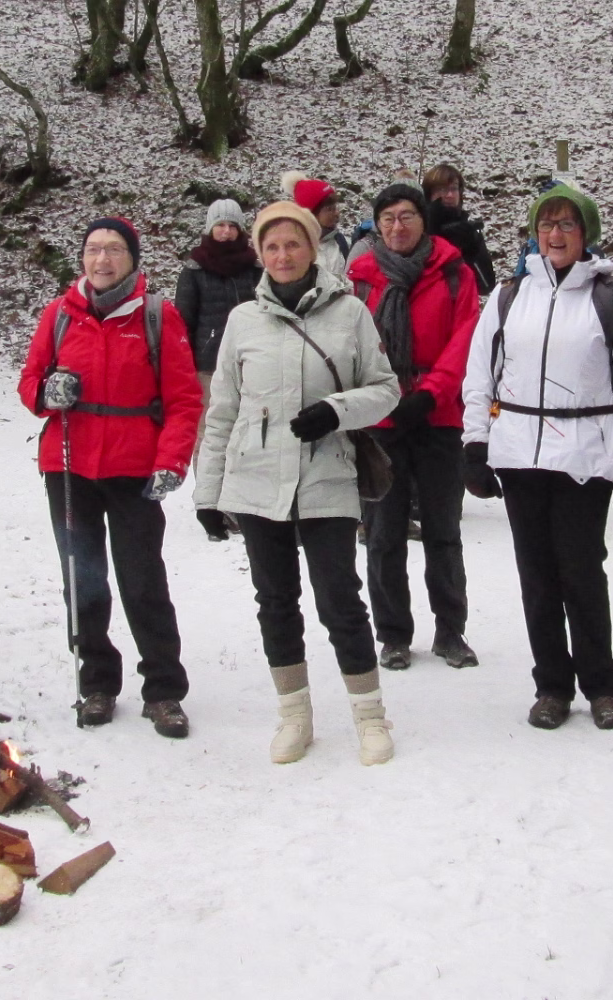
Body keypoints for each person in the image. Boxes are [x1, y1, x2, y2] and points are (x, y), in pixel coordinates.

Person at [193, 201, 402, 765]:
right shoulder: (243, 320)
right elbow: (222, 411)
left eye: (293, 244)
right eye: (272, 246)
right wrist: (208, 493)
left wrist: (337, 410)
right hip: (256, 480)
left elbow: (386, 389)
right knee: (275, 601)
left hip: (327, 473)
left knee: (340, 600)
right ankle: (294, 717)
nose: (283, 255)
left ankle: (370, 717)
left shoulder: (349, 312)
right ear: (259, 253)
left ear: (313, 249)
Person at [461, 184, 613, 731]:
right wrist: (475, 446)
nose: (555, 234)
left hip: (584, 456)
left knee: (581, 573)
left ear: (586, 233)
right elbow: (479, 375)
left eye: (567, 224)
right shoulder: (509, 296)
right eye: (546, 224)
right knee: (537, 577)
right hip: (519, 457)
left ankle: (602, 686)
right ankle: (551, 686)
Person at [20, 217, 204, 737]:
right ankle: (97, 681)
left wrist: (172, 461)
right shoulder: (59, 315)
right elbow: (29, 380)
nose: (102, 259)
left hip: (135, 469)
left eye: (114, 250)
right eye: (93, 249)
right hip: (69, 465)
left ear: (133, 259)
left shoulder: (156, 316)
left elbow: (184, 399)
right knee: (82, 579)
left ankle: (163, 688)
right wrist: (46, 394)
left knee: (142, 580)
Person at [346, 183, 483, 671]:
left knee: (443, 530)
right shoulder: (361, 277)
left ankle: (450, 630)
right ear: (377, 226)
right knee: (383, 531)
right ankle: (393, 634)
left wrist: (430, 393)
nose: (397, 226)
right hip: (381, 418)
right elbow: (350, 345)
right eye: (387, 218)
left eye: (406, 216)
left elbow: (465, 339)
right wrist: (378, 397)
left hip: (438, 416)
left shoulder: (454, 272)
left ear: (423, 220)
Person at [175, 199, 261, 397]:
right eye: (220, 224)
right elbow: (183, 324)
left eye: (232, 226)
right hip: (208, 366)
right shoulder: (194, 270)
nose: (226, 231)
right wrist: (185, 365)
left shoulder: (255, 269)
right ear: (210, 228)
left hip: (251, 361)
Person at [422, 163, 498, 294]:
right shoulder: (418, 230)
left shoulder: (467, 231)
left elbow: (486, 285)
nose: (450, 195)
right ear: (430, 194)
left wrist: (471, 251)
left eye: (454, 189)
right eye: (442, 189)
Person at [281, 172, 349, 279]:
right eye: (329, 209)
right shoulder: (296, 250)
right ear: (311, 215)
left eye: (335, 208)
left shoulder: (341, 242)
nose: (336, 213)